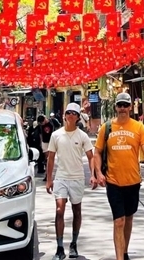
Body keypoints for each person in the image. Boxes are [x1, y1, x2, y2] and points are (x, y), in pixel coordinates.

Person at [92, 92, 144, 260]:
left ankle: (124, 251)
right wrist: (98, 172)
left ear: (130, 107)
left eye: (125, 105)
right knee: (119, 220)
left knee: (128, 218)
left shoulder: (138, 127)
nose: (122, 108)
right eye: (119, 105)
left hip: (133, 181)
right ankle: (119, 257)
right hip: (113, 182)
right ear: (116, 107)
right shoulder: (106, 128)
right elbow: (97, 152)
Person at [46, 103, 95, 260]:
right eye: (68, 113)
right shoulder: (56, 135)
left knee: (77, 211)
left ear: (78, 117)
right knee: (59, 210)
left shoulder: (82, 136)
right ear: (64, 115)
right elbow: (51, 158)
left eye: (74, 113)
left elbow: (91, 157)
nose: (71, 115)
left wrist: (93, 175)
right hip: (61, 178)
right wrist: (49, 180)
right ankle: (59, 248)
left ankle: (73, 244)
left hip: (77, 178)